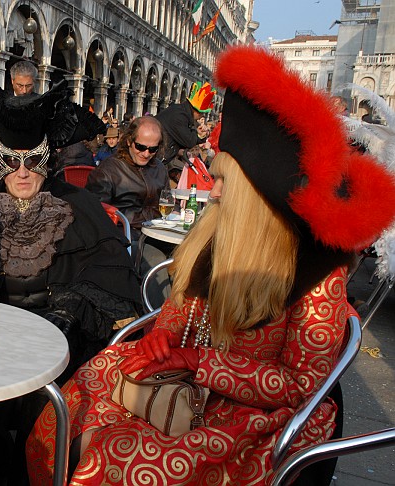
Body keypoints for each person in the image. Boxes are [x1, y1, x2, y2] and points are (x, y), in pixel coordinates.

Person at [27, 44, 395, 486]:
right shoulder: (213, 241)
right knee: (70, 403)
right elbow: (179, 315)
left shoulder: (317, 272)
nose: (211, 191)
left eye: (221, 181)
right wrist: (162, 336)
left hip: (250, 413)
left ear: (254, 195)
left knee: (119, 465)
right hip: (187, 381)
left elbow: (300, 385)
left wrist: (200, 361)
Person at [0, 82, 142, 484]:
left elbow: (111, 279)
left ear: (48, 159)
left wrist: (72, 309)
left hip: (59, 349)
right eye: (12, 161)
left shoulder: (80, 207)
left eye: (33, 160)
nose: (22, 172)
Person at [156, 81, 214, 163]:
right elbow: (189, 142)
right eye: (202, 113)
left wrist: (200, 135)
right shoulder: (180, 116)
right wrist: (196, 132)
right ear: (197, 111)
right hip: (155, 157)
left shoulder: (181, 112)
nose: (202, 116)